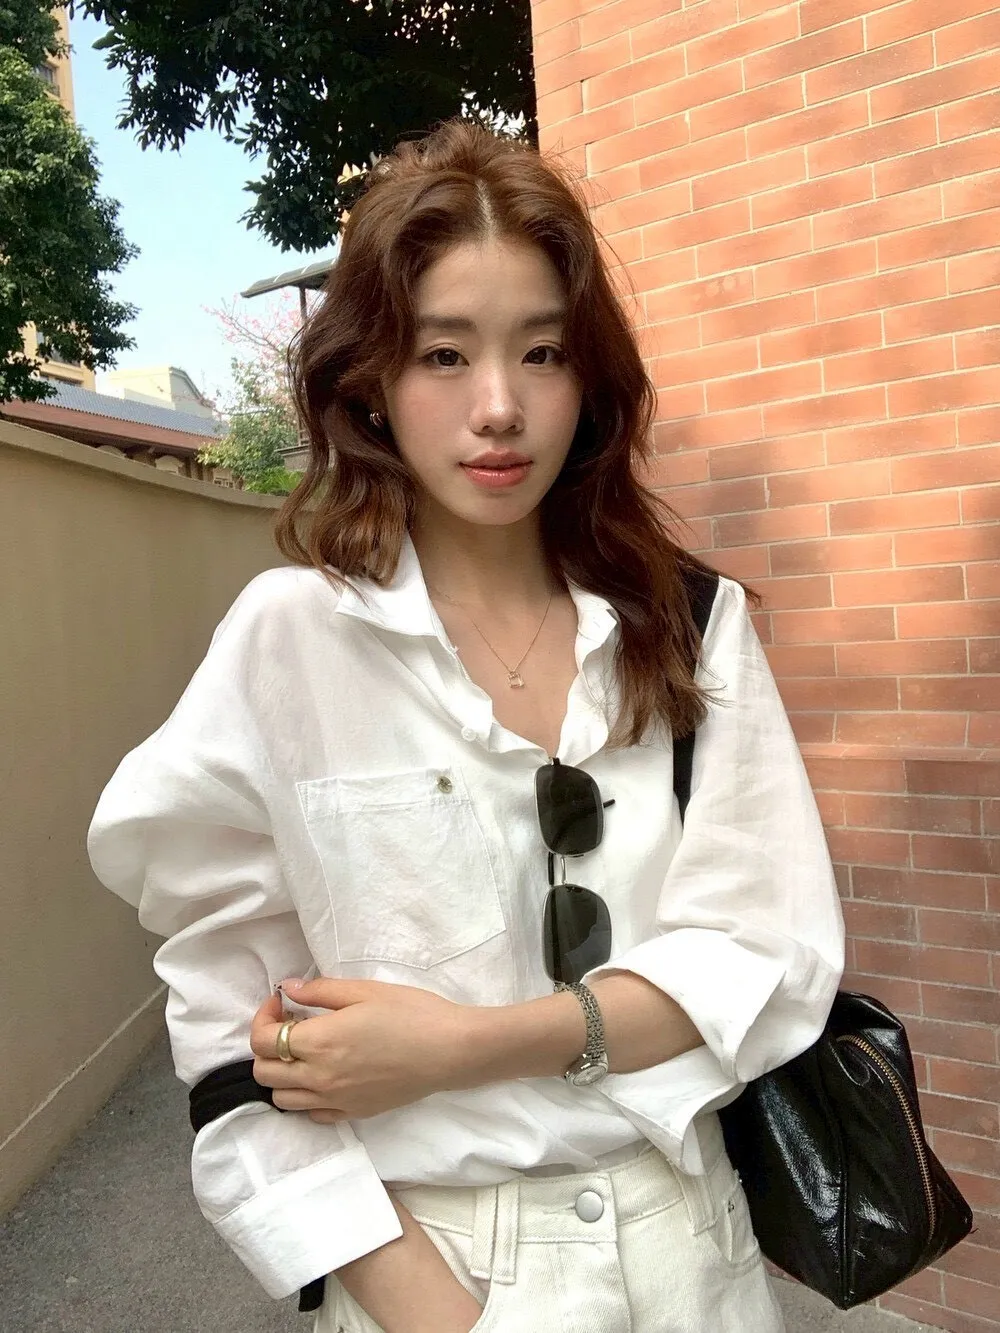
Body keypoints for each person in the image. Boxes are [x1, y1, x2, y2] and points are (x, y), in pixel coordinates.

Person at [87, 118, 845, 1333]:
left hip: (692, 1244)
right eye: (444, 354)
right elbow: (234, 1040)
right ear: (370, 383)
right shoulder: (292, 644)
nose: (499, 407)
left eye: (542, 352)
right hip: (435, 1259)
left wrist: (462, 1047)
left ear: (588, 380)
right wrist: (435, 1312)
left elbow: (766, 953)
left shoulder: (686, 625)